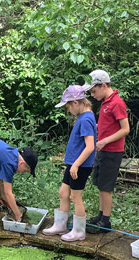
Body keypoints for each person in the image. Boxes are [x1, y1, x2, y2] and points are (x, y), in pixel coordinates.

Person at [42, 85, 96, 242]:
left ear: (76, 102)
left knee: (75, 196)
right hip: (73, 164)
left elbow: (90, 146)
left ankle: (79, 232)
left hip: (80, 166)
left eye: (68, 107)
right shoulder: (83, 117)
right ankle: (60, 225)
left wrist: (76, 165)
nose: (68, 111)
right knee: (63, 193)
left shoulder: (86, 119)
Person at [83, 69, 130, 234]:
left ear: (103, 85)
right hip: (102, 150)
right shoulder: (105, 102)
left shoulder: (117, 103)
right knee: (99, 185)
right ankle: (100, 215)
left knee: (105, 187)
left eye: (94, 91)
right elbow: (108, 125)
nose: (93, 95)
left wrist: (104, 141)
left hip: (112, 152)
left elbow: (125, 129)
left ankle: (105, 222)